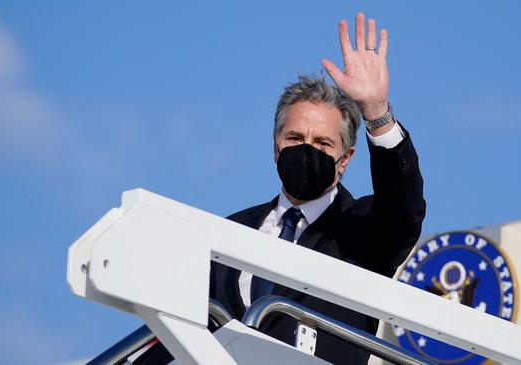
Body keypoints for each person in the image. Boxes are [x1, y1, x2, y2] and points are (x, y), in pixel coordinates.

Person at [136, 12, 425, 365]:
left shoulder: (363, 231)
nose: (307, 150)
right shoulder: (228, 232)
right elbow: (178, 330)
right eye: (295, 137)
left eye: (322, 143)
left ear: (346, 158)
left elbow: (403, 206)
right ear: (275, 146)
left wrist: (375, 110)